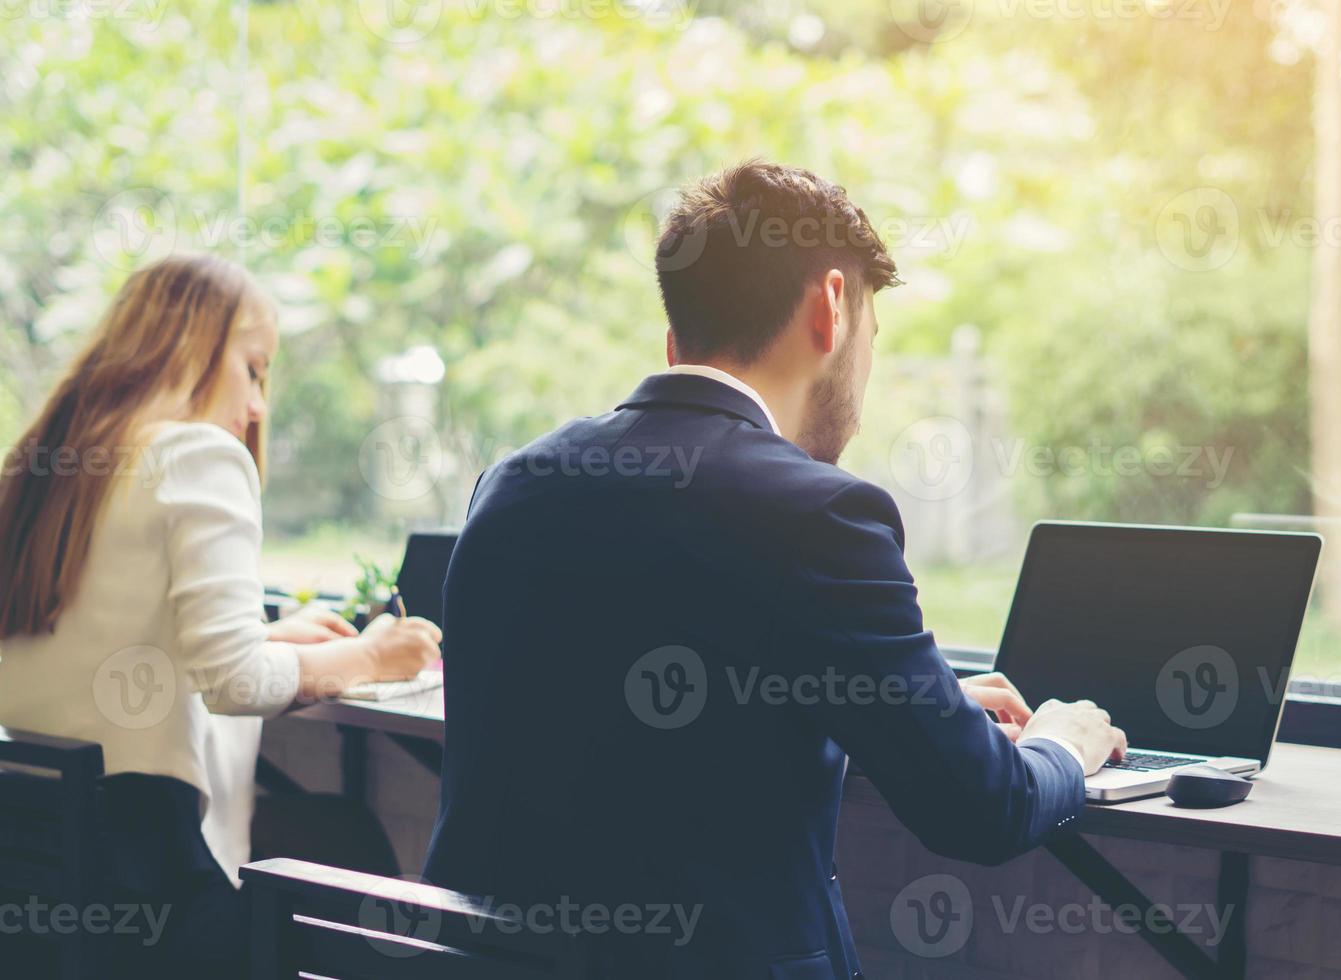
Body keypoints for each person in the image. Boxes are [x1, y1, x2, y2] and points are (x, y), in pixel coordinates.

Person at [424, 160, 1127, 977]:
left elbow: (628, 719)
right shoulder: (821, 514)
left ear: (675, 336)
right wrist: (1061, 746)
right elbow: (981, 810)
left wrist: (895, 702)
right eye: (872, 335)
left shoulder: (513, 484)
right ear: (832, 307)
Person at [0, 254, 441, 977]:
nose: (259, 405)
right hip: (152, 889)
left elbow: (99, 636)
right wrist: (366, 658)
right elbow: (233, 683)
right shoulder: (198, 454)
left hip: (47, 881)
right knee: (354, 868)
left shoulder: (53, 467)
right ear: (189, 348)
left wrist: (268, 637)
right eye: (254, 368)